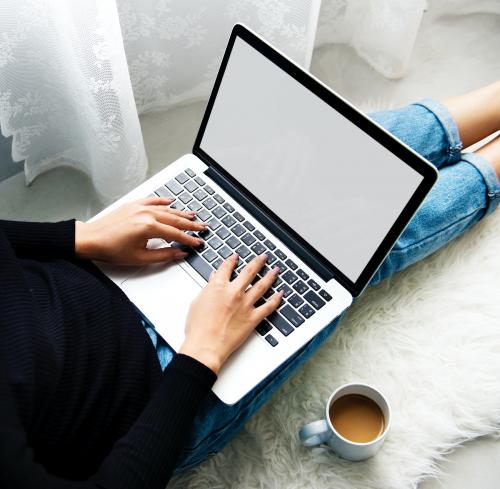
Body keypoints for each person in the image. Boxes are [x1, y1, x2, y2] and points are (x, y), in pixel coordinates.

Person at [1, 82, 500, 489]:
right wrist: (201, 355)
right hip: (160, 391)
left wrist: (81, 237)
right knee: (345, 251)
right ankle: (491, 170)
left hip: (100, 270)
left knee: (307, 169)